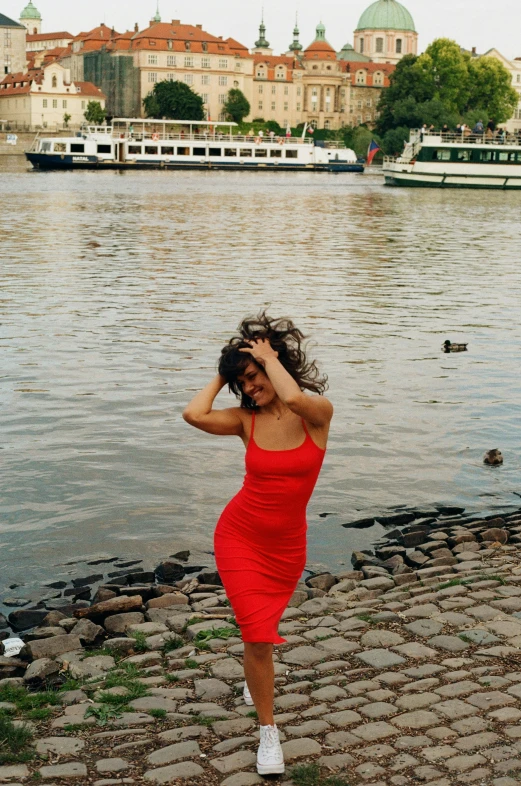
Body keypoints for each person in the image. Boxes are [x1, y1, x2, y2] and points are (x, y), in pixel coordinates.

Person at [183, 313, 333, 776]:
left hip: (287, 547)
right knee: (257, 635)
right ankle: (269, 732)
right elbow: (194, 414)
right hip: (240, 536)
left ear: (274, 365)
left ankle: (255, 677)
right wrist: (227, 365)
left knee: (262, 635)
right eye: (241, 383)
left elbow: (291, 395)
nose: (249, 388)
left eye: (253, 378)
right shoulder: (245, 422)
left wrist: (266, 356)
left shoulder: (318, 414)